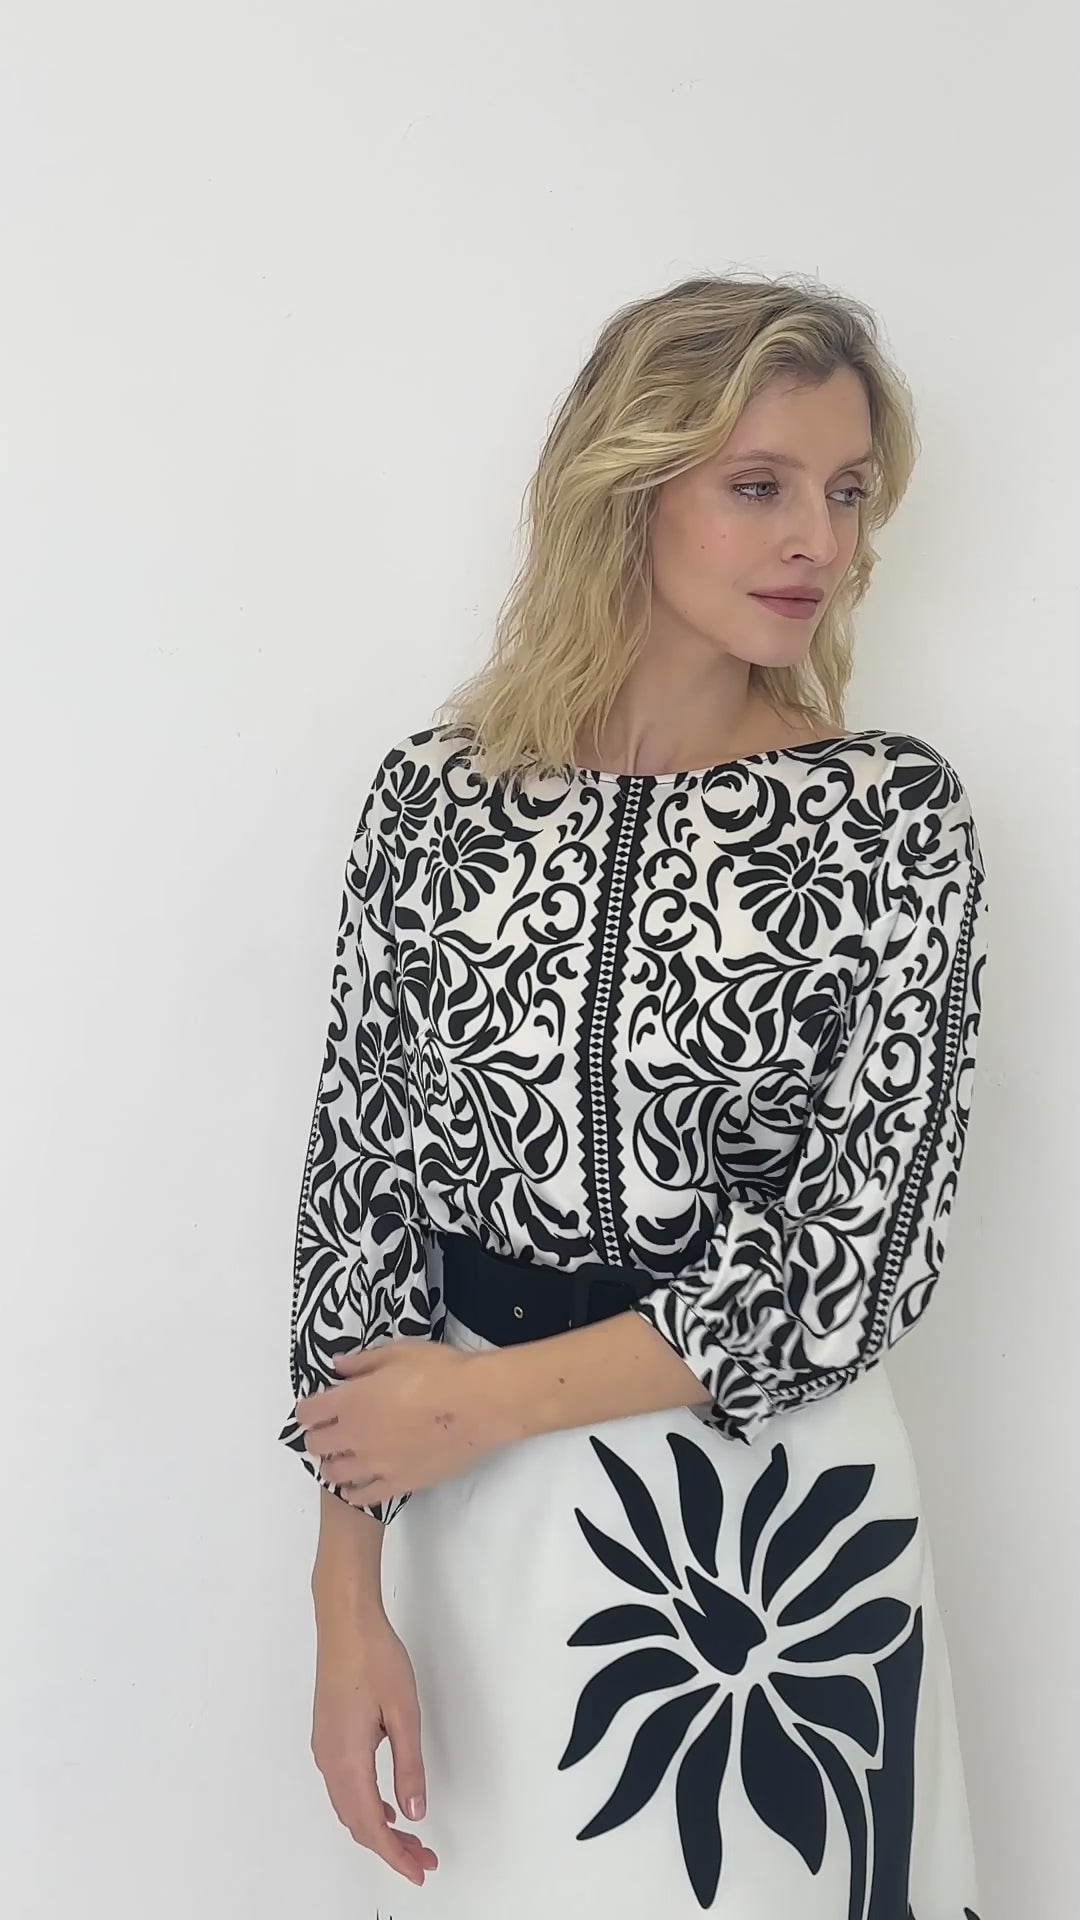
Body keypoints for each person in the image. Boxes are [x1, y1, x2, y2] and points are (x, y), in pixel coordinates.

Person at [278, 273, 988, 1919]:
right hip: (470, 1523)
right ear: (628, 488)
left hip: (773, 1533)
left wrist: (480, 1407)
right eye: (761, 485)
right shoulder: (435, 801)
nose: (819, 539)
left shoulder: (889, 818)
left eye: (847, 493)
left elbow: (857, 1255)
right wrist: (342, 1597)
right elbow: (359, 1191)